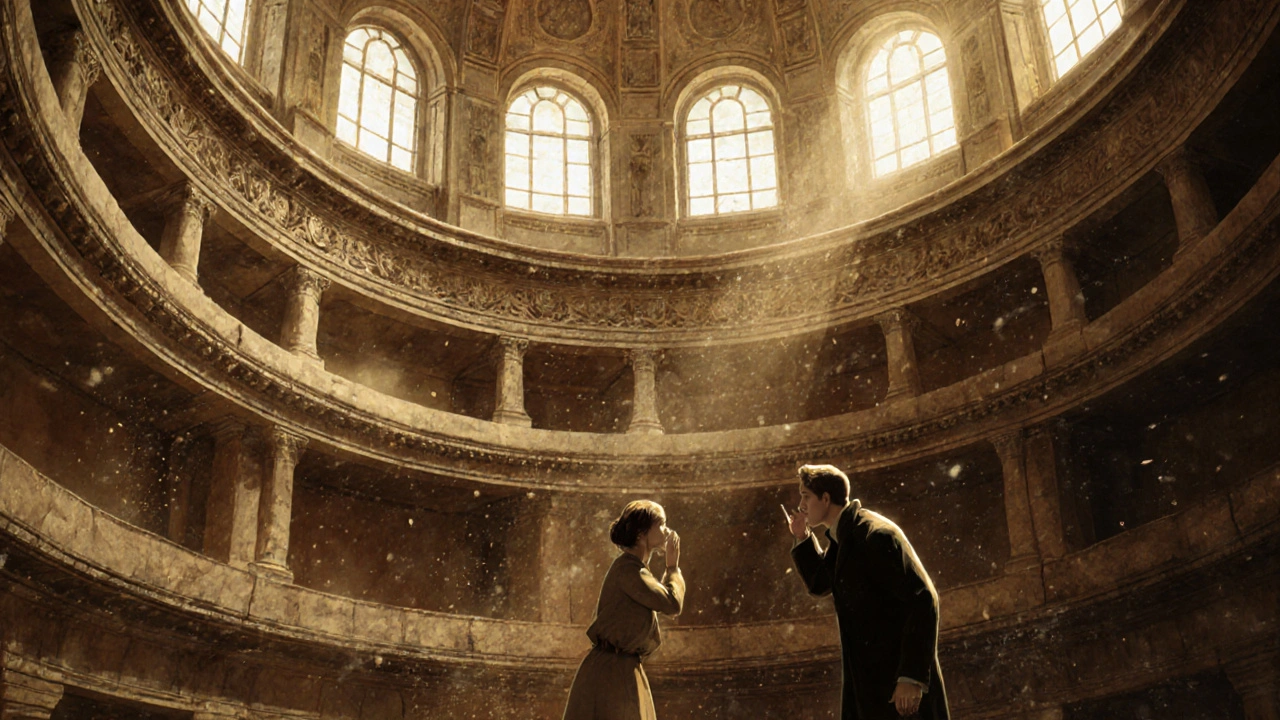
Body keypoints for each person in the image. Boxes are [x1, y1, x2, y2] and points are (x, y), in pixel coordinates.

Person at [784, 464, 949, 719]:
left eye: (805, 495)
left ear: (825, 498)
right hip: (873, 685)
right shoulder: (845, 536)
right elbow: (820, 583)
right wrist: (803, 536)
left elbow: (923, 599)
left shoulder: (873, 535)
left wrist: (912, 677)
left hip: (899, 688)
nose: (801, 504)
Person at [563, 500, 685, 720]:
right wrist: (672, 568)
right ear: (641, 533)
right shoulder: (629, 570)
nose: (667, 530)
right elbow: (672, 604)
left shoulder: (635, 570)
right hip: (611, 672)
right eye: (661, 524)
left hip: (621, 668)